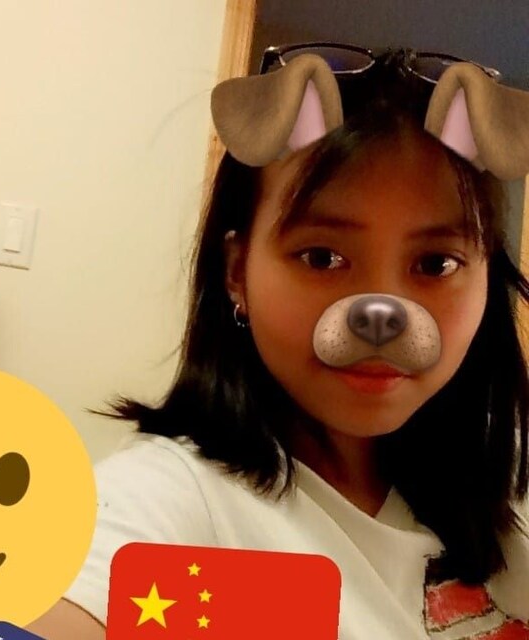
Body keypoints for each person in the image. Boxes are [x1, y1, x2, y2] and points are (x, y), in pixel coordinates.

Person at [27, 47, 529, 639]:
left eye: (436, 263)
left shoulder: (507, 475)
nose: (382, 315)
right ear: (237, 272)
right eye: (322, 257)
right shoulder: (173, 500)